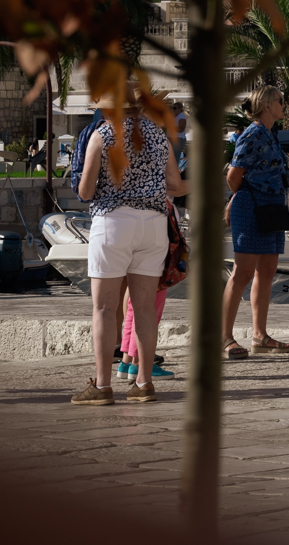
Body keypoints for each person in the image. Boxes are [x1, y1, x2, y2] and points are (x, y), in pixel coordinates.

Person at [71, 84, 188, 405]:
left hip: (114, 222)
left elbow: (84, 191)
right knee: (145, 307)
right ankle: (144, 382)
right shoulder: (158, 136)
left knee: (105, 308)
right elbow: (176, 186)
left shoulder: (104, 135)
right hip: (153, 224)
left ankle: (103, 386)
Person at [222, 85, 289, 359]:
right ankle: (225, 337)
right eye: (281, 100)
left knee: (267, 270)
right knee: (243, 272)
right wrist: (243, 196)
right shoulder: (253, 134)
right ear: (267, 105)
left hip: (272, 207)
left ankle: (259, 334)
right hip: (252, 205)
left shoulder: (270, 134)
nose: (283, 105)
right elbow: (233, 175)